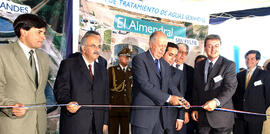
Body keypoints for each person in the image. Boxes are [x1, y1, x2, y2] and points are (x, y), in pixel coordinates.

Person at [131, 31, 189, 134]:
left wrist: (182, 100)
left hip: (160, 120)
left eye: (164, 46)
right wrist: (169, 98)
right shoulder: (139, 60)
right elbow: (145, 85)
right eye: (160, 46)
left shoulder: (165, 64)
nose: (163, 49)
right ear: (151, 44)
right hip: (143, 119)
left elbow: (171, 86)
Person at [0, 13, 49, 134]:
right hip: (14, 126)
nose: (43, 37)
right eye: (39, 32)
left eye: (44, 33)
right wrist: (11, 107)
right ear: (23, 31)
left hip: (40, 127)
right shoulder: (3, 53)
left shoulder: (44, 58)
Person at [54, 31, 109, 134]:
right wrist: (68, 102)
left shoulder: (103, 70)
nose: (97, 49)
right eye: (93, 46)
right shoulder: (68, 64)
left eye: (99, 46)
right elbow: (60, 90)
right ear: (83, 48)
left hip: (97, 125)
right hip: (75, 124)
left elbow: (105, 97)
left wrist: (105, 122)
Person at [191, 34, 237, 134]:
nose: (213, 49)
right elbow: (195, 89)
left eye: (216, 46)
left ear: (220, 47)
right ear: (205, 48)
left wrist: (216, 102)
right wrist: (195, 108)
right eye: (210, 46)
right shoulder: (199, 65)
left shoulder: (229, 65)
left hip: (221, 120)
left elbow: (230, 88)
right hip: (202, 118)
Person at [232, 50, 270, 134]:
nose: (249, 61)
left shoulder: (265, 75)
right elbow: (235, 95)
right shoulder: (239, 75)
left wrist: (260, 108)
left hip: (256, 115)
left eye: (252, 58)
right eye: (247, 58)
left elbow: (268, 96)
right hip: (240, 115)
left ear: (257, 60)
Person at [108, 47, 132, 134]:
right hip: (114, 105)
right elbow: (107, 88)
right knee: (112, 130)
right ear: (119, 58)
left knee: (125, 130)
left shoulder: (131, 71)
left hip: (126, 106)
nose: (126, 59)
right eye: (124, 56)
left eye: (128, 57)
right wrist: (108, 103)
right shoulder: (112, 70)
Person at [163, 42, 186, 132]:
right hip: (153, 116)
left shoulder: (179, 73)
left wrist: (180, 118)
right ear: (163, 53)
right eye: (170, 55)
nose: (173, 58)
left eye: (175, 56)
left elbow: (181, 96)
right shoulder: (153, 69)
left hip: (171, 118)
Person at [173, 43, 195, 134]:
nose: (182, 55)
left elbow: (191, 93)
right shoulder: (166, 67)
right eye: (180, 52)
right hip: (167, 112)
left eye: (185, 53)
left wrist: (186, 111)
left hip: (184, 114)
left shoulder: (191, 71)